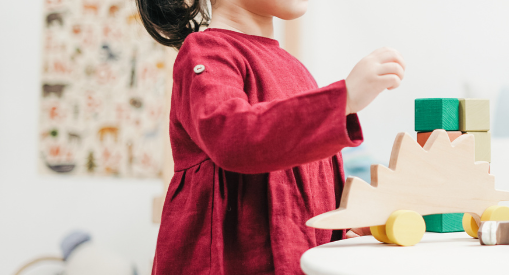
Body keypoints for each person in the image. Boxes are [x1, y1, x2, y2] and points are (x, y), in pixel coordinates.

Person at [136, 0, 406, 273]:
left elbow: (308, 182)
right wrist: (343, 99)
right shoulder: (205, 53)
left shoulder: (296, 69)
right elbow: (233, 138)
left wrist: (342, 227)